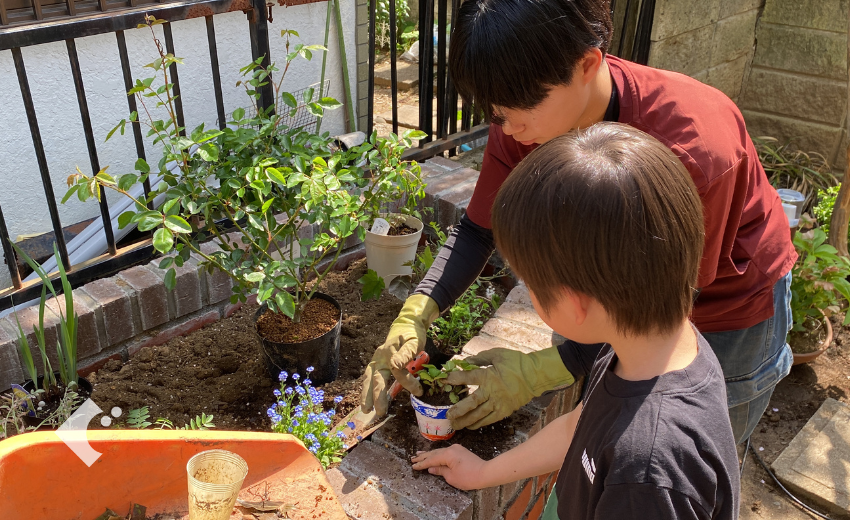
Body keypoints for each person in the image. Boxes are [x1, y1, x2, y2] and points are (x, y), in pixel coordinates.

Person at [360, 0, 795, 444]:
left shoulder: (692, 151)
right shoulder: (524, 114)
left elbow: (658, 309)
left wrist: (543, 370)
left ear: (587, 63)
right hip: (622, 295)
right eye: (495, 110)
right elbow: (478, 229)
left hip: (719, 310)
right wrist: (416, 312)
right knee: (608, 430)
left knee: (680, 452)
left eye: (514, 108)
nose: (505, 126)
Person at [412, 124, 740, 519]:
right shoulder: (646, 348)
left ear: (574, 303)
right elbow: (578, 428)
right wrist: (483, 472)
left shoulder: (647, 474)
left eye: (528, 281)